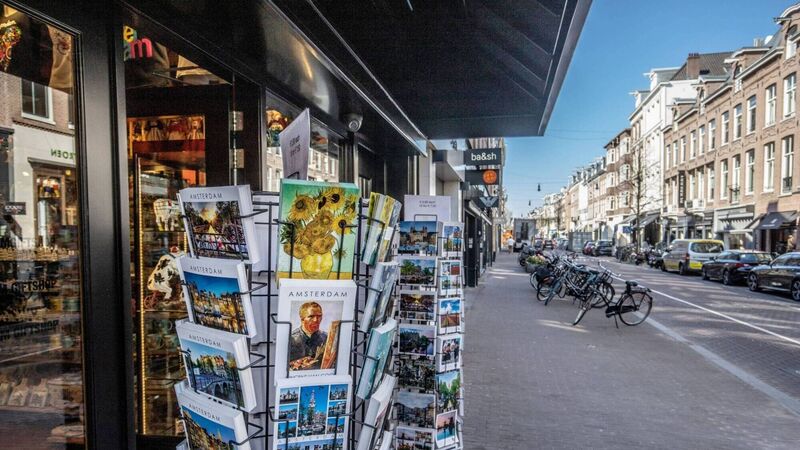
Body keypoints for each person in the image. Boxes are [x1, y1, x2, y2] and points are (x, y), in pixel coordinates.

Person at [288, 301, 327, 370]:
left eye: (319, 316)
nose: (316, 320)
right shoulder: (290, 339)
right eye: (311, 316)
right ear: (302, 319)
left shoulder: (326, 338)